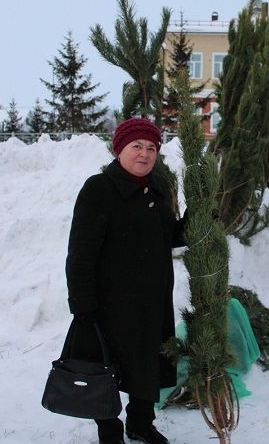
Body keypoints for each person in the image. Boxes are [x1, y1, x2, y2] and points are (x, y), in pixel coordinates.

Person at [65, 117, 186, 444]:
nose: (144, 154)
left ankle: (140, 424)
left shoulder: (159, 187)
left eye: (151, 148)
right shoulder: (99, 189)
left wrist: (194, 223)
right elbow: (80, 254)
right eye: (136, 146)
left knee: (146, 365)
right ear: (119, 149)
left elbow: (167, 236)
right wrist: (82, 306)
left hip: (152, 301)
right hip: (110, 305)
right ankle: (109, 429)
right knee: (105, 369)